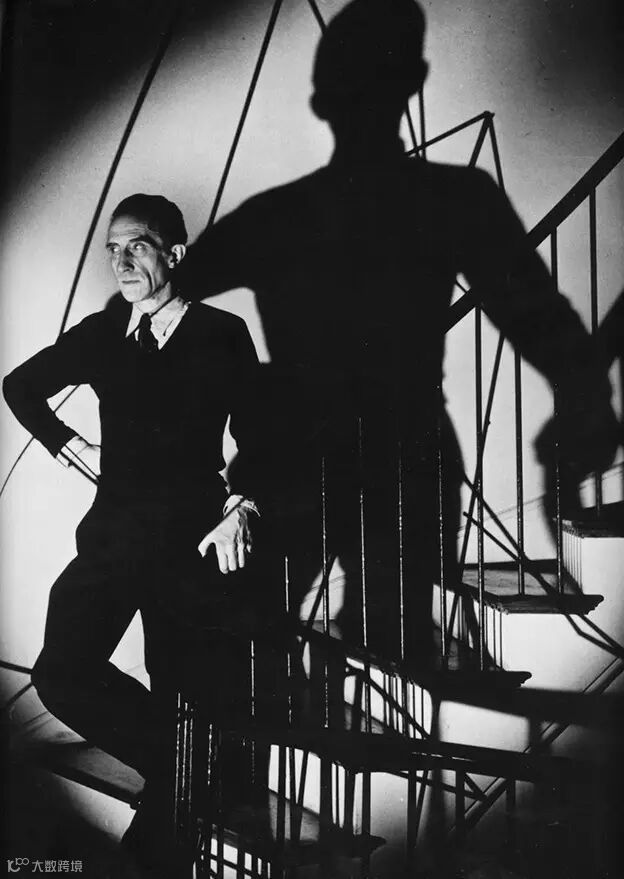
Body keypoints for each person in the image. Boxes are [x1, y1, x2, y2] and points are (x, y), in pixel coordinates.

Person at [177, 0, 618, 667]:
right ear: (414, 81)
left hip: (313, 457)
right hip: (402, 454)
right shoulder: (452, 199)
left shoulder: (278, 217)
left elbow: (166, 295)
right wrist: (585, 399)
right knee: (380, 652)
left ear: (321, 101)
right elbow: (539, 318)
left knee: (256, 650)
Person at [3, 193, 263, 875]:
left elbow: (262, 433)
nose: (120, 262)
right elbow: (20, 385)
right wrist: (69, 445)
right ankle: (192, 767)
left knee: (180, 687)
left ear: (174, 252)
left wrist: (242, 506)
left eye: (136, 246)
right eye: (112, 249)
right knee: (62, 672)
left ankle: (173, 816)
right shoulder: (102, 332)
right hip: (114, 535)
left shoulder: (222, 332)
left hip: (193, 542)